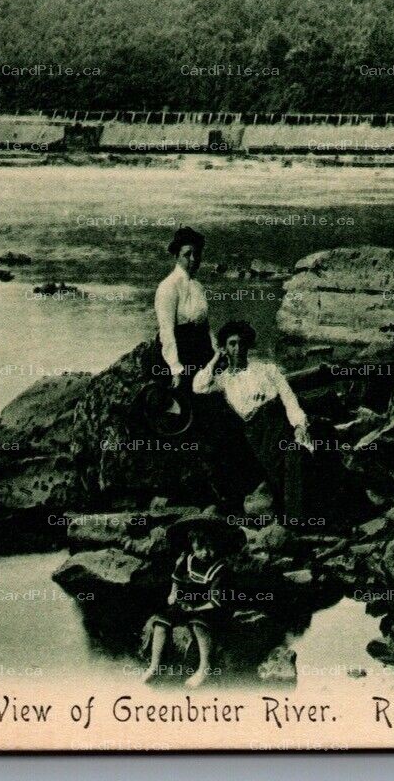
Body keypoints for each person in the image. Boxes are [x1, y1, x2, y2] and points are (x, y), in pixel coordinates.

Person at [193, 320, 314, 521]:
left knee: (295, 455)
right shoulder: (223, 380)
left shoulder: (267, 370)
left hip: (276, 427)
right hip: (251, 436)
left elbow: (289, 399)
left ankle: (295, 520)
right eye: (232, 344)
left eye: (242, 343)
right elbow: (198, 386)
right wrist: (215, 358)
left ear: (248, 345)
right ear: (225, 348)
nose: (238, 349)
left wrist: (299, 425)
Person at [141, 515, 243, 687]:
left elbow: (216, 600)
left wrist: (195, 609)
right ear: (192, 545)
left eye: (210, 547)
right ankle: (155, 666)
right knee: (161, 621)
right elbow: (177, 579)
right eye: (200, 547)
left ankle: (205, 668)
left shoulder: (220, 568)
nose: (205, 552)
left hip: (212, 607)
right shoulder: (187, 560)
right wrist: (173, 595)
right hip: (188, 604)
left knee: (198, 623)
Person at [155, 227, 214, 394]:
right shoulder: (168, 287)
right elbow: (166, 331)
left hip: (201, 350)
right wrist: (175, 368)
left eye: (197, 254)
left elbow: (206, 325)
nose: (194, 259)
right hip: (180, 353)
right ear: (176, 256)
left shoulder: (198, 286)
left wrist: (217, 351)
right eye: (187, 255)